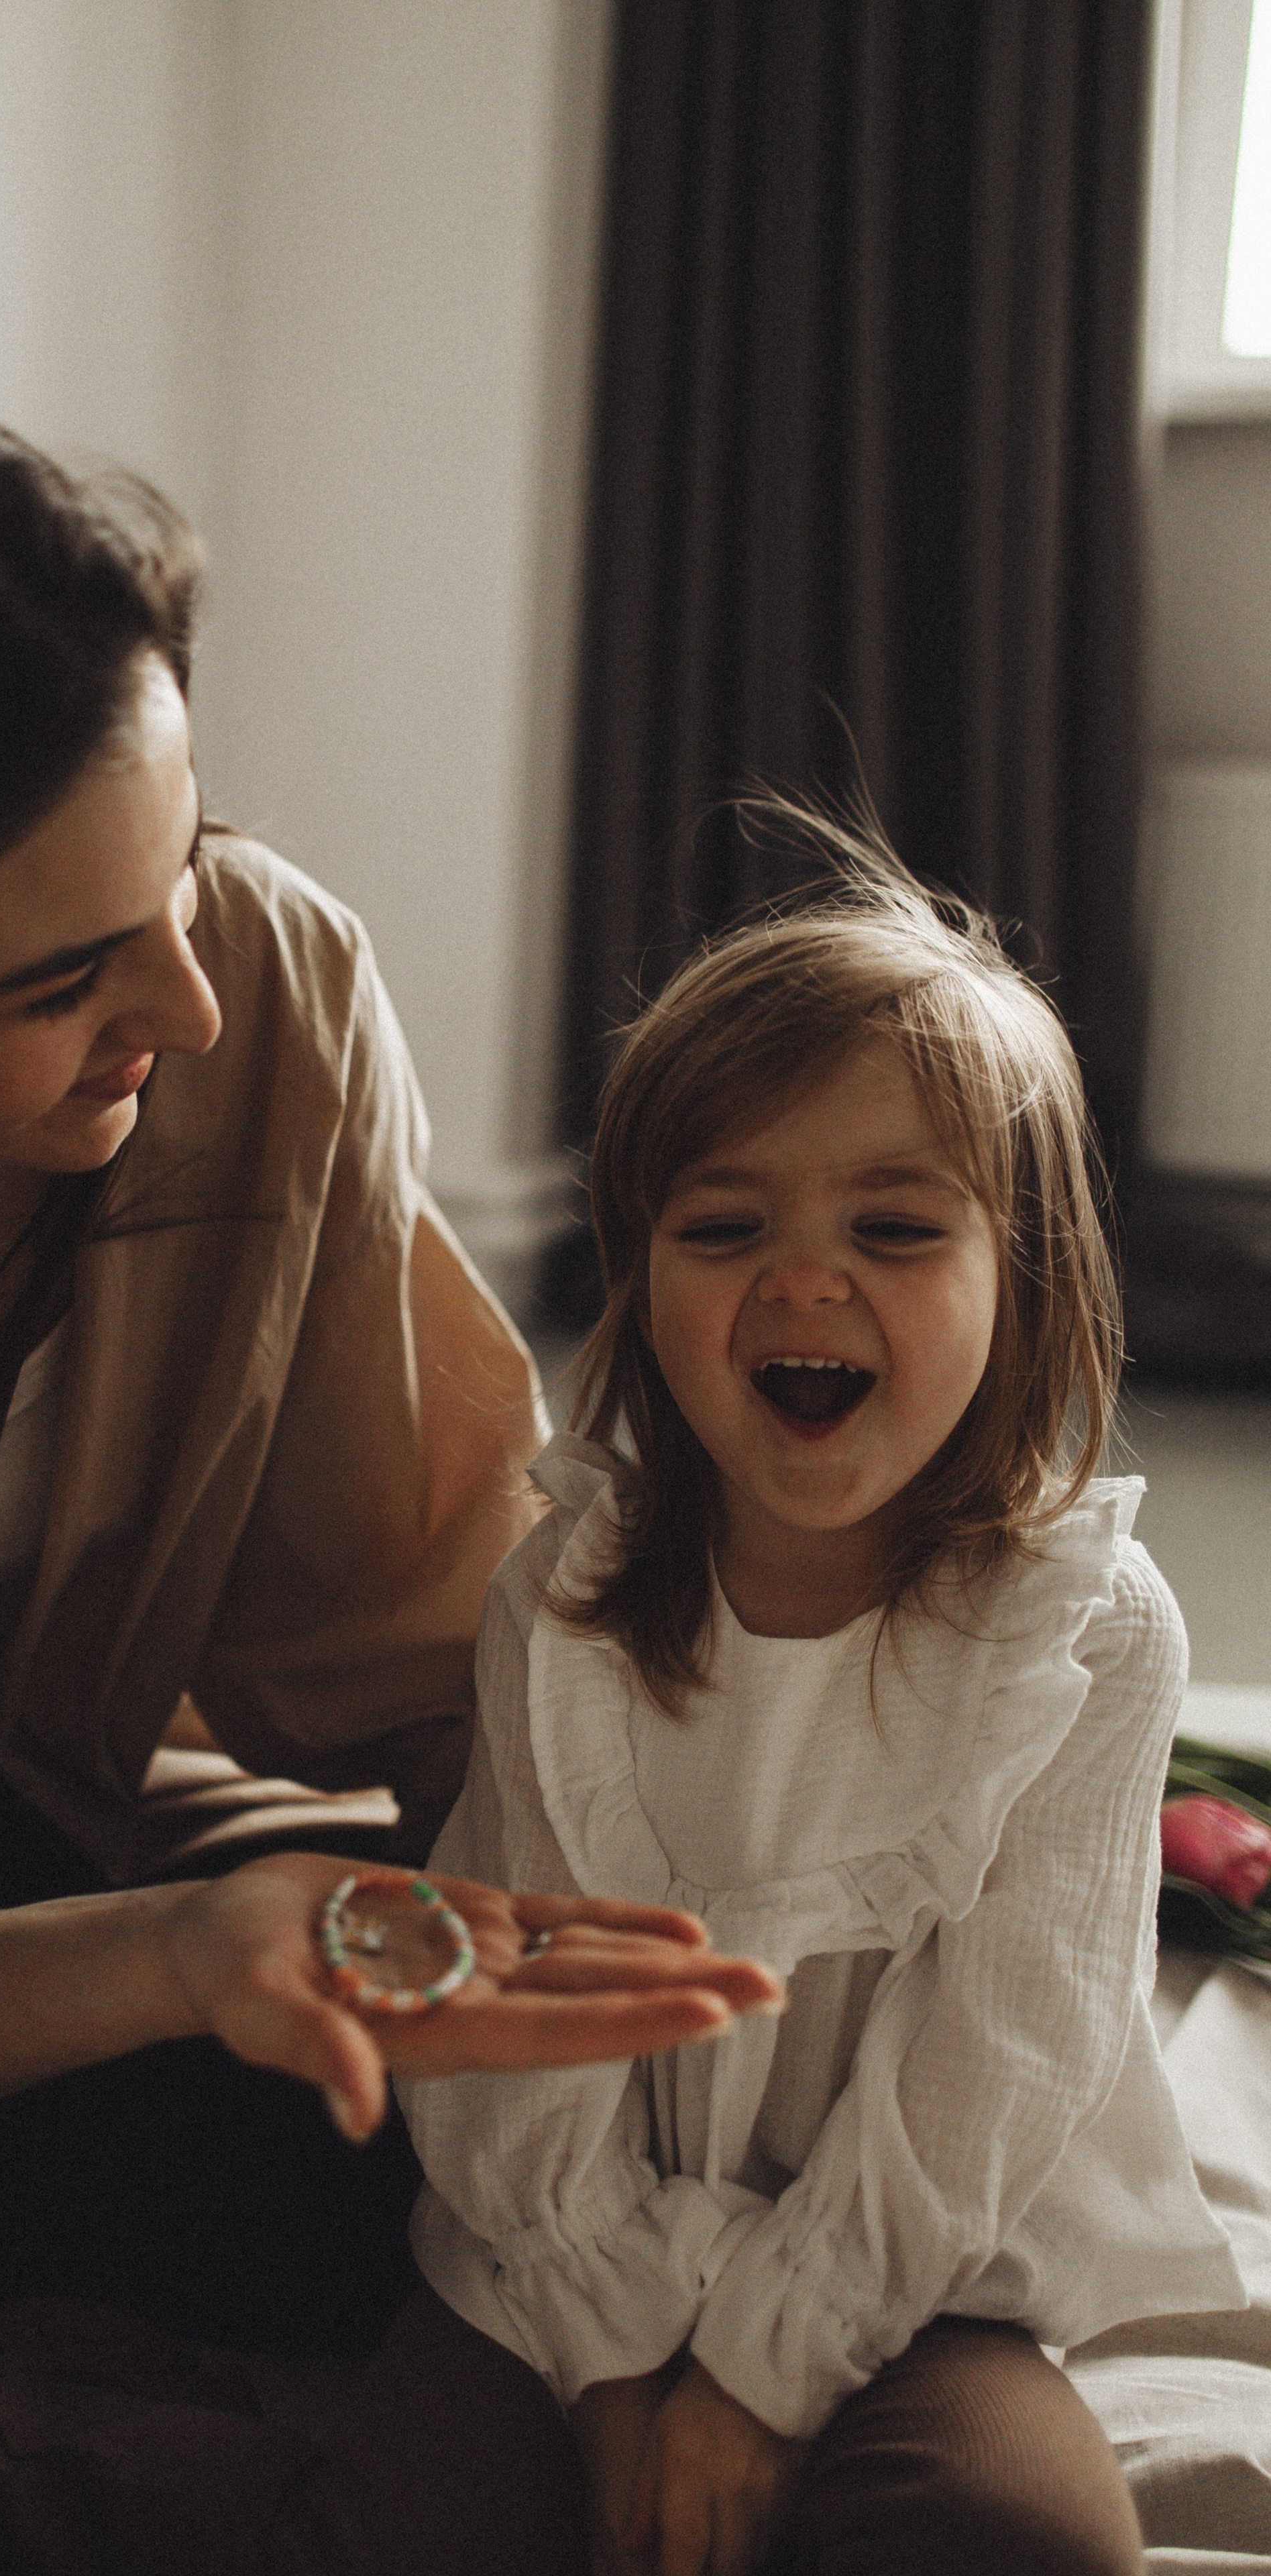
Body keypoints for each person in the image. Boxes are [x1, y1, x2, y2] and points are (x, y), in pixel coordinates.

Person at [0, 347, 779, 2569]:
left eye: (178, 887)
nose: (189, 1010)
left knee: (420, 2159)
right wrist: (170, 1960)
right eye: (65, 978)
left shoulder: (265, 1001)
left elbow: (429, 1638)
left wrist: (622, 2081)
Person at [400, 818, 1250, 2576]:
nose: (805, 1278)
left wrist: (762, 2381)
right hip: (579, 2245)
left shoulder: (1088, 1638)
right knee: (431, 2514)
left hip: (913, 2278)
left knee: (1019, 2532)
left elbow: (993, 2071)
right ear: (638, 1290)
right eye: (726, 1226)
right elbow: (512, 2024)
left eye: (893, 1224)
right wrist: (626, 2373)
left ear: (1023, 1292)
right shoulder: (558, 1607)